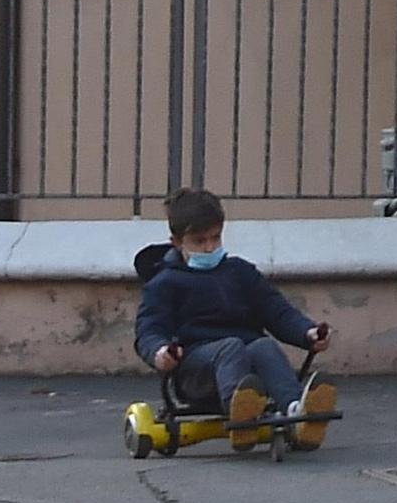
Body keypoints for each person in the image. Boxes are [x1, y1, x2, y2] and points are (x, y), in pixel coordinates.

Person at [136, 186, 330, 434]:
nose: (209, 248)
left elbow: (276, 310)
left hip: (248, 369)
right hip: (197, 374)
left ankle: (295, 409)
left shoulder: (239, 272)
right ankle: (240, 411)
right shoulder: (164, 283)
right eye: (199, 241)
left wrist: (308, 333)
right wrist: (160, 352)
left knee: (264, 346)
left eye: (215, 238)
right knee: (231, 347)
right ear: (176, 243)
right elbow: (149, 329)